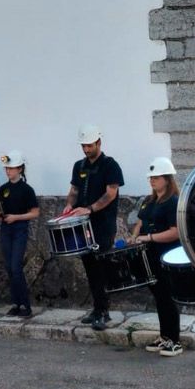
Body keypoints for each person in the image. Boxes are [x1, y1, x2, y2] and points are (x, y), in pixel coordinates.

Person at [62, 124, 124, 331]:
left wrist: (90, 208)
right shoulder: (78, 166)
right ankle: (97, 309)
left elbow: (110, 194)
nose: (86, 150)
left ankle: (104, 311)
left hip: (102, 224)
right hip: (82, 224)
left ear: (98, 142)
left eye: (89, 145)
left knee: (101, 266)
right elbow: (74, 189)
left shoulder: (110, 165)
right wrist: (70, 204)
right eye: (83, 146)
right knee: (89, 267)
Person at [130, 157, 183, 356]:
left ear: (167, 179)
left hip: (167, 254)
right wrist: (135, 237)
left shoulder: (173, 202)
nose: (152, 180)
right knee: (159, 296)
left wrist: (149, 237)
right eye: (151, 177)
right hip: (150, 254)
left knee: (167, 297)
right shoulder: (149, 200)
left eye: (156, 177)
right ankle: (165, 336)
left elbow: (175, 231)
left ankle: (175, 340)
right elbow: (140, 223)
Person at [0, 150, 39, 318]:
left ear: (20, 169)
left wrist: (17, 217)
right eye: (7, 168)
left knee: (16, 267)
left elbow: (35, 212)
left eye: (12, 168)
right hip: (6, 229)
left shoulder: (27, 189)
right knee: (9, 268)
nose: (8, 171)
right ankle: (15, 303)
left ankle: (25, 305)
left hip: (19, 229)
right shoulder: (3, 189)